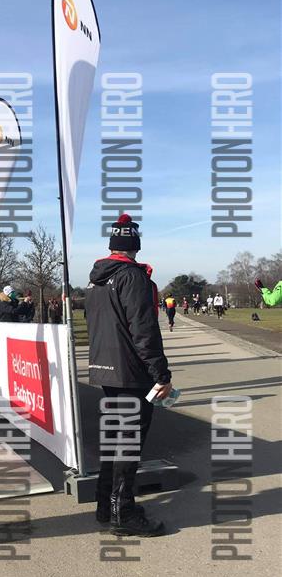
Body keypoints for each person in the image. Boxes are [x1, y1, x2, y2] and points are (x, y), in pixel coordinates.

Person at [86, 213, 172, 537]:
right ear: (135, 245)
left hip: (105, 370)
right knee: (128, 444)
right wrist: (161, 374)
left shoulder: (95, 280)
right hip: (131, 373)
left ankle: (106, 505)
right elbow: (144, 330)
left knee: (114, 440)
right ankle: (122, 513)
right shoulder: (132, 277)